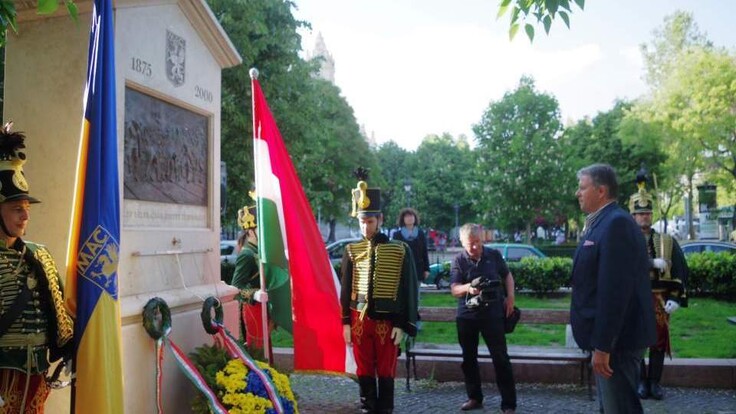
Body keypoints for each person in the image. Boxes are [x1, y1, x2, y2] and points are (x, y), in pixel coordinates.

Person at [0, 123, 74, 413]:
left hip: (36, 372)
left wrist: (69, 350)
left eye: (27, 209)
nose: (24, 216)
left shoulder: (39, 255)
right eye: (17, 208)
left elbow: (58, 312)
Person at [571, 164, 656, 414]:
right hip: (611, 342)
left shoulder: (616, 224)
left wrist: (603, 346)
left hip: (617, 344)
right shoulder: (602, 223)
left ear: (601, 190)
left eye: (582, 187)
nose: (578, 193)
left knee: (619, 409)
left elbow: (614, 293)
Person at [340, 169, 418, 414]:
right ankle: (367, 409)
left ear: (380, 219)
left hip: (388, 321)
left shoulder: (400, 250)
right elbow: (345, 289)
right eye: (362, 221)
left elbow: (408, 290)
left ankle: (385, 411)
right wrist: (345, 322)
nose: (366, 226)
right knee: (363, 369)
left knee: (386, 370)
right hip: (359, 319)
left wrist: (404, 324)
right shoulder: (351, 250)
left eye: (370, 221)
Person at [628, 170, 688, 400]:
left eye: (647, 213)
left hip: (660, 300)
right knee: (636, 342)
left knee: (658, 341)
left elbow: (681, 270)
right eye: (640, 213)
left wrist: (676, 298)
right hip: (634, 298)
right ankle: (641, 381)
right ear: (632, 215)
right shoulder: (625, 240)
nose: (644, 217)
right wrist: (651, 262)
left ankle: (655, 382)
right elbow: (624, 266)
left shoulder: (667, 241)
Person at [450, 223, 517, 413]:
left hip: (493, 314)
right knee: (468, 359)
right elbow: (454, 288)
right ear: (463, 243)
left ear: (483, 239)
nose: (474, 247)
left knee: (501, 358)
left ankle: (509, 404)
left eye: (477, 242)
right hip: (467, 316)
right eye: (470, 243)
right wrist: (468, 288)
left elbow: (507, 276)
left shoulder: (494, 255)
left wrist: (510, 296)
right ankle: (474, 398)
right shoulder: (458, 260)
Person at [230, 203, 268, 350]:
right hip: (252, 309)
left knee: (265, 349)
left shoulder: (259, 251)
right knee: (256, 350)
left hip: (263, 308)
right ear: (251, 232)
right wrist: (255, 294)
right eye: (260, 229)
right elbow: (236, 287)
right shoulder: (247, 254)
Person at [393, 208, 430, 284]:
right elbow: (394, 254)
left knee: (416, 293)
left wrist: (426, 269)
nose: (410, 218)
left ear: (415, 218)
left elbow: (424, 252)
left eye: (411, 216)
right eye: (407, 216)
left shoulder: (420, 234)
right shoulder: (397, 235)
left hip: (418, 268)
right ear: (403, 219)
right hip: (402, 269)